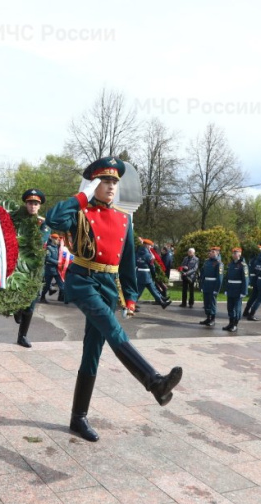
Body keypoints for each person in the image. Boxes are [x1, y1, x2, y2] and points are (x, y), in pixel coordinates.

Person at [45, 156, 182, 442]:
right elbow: (53, 219)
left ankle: (78, 418)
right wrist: (82, 195)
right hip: (82, 279)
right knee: (112, 329)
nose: (111, 186)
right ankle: (153, 381)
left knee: (93, 350)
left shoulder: (122, 218)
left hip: (108, 284)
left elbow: (128, 261)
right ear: (94, 183)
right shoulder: (79, 212)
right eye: (105, 180)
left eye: (114, 182)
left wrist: (130, 296)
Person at [11, 188, 50, 347]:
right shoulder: (17, 220)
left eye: (35, 203)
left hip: (35, 268)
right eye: (30, 203)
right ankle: (17, 308)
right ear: (26, 204)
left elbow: (40, 242)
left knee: (32, 302)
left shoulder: (43, 223)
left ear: (39, 206)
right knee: (18, 293)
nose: (32, 206)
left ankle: (23, 336)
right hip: (19, 266)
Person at [136, 238, 171, 309]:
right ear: (146, 245)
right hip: (146, 275)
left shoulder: (137, 253)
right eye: (149, 245)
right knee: (138, 292)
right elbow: (152, 266)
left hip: (140, 274)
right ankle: (131, 305)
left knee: (152, 288)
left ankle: (162, 301)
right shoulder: (148, 255)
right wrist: (154, 274)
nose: (150, 247)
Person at [222, 247, 249, 332]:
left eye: (235, 253)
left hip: (238, 289)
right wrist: (226, 289)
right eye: (233, 253)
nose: (233, 254)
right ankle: (230, 323)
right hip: (230, 288)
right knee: (230, 307)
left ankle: (235, 324)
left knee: (237, 308)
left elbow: (245, 279)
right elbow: (227, 277)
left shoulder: (243, 265)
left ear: (240, 254)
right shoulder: (230, 264)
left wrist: (244, 291)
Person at [199, 246, 223, 327]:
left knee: (212, 302)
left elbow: (219, 278)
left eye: (213, 252)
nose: (210, 253)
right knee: (206, 302)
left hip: (213, 285)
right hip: (206, 284)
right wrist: (202, 285)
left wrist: (217, 289)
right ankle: (208, 317)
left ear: (217, 253)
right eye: (210, 251)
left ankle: (212, 318)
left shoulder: (219, 263)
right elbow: (203, 274)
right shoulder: (207, 262)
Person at [41, 233, 64, 303]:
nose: (58, 241)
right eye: (57, 239)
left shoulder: (58, 248)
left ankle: (62, 297)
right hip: (49, 269)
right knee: (47, 285)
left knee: (62, 285)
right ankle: (42, 297)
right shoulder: (49, 248)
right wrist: (57, 262)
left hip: (57, 270)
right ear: (53, 239)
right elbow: (48, 258)